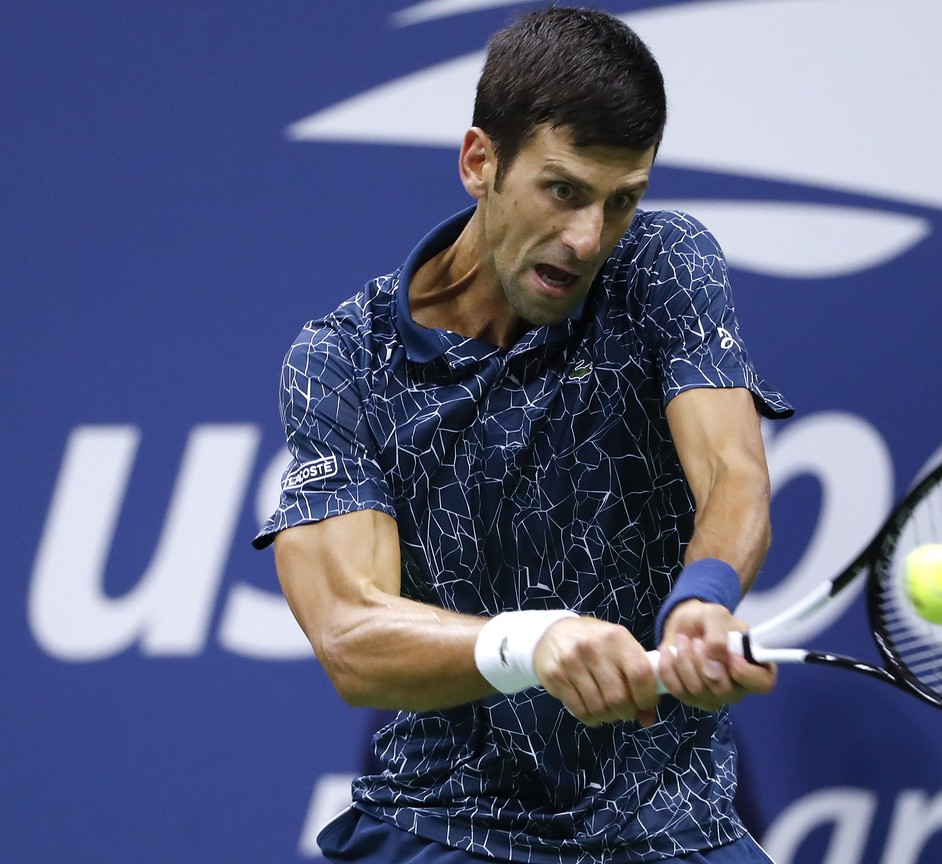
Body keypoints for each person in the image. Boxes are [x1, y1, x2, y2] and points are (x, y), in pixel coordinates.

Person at [254, 7, 792, 863]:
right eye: (563, 191)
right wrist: (531, 641)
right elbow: (351, 639)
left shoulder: (662, 263)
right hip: (445, 825)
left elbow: (733, 472)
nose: (587, 240)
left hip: (669, 829)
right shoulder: (343, 360)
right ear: (480, 163)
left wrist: (704, 595)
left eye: (621, 201)